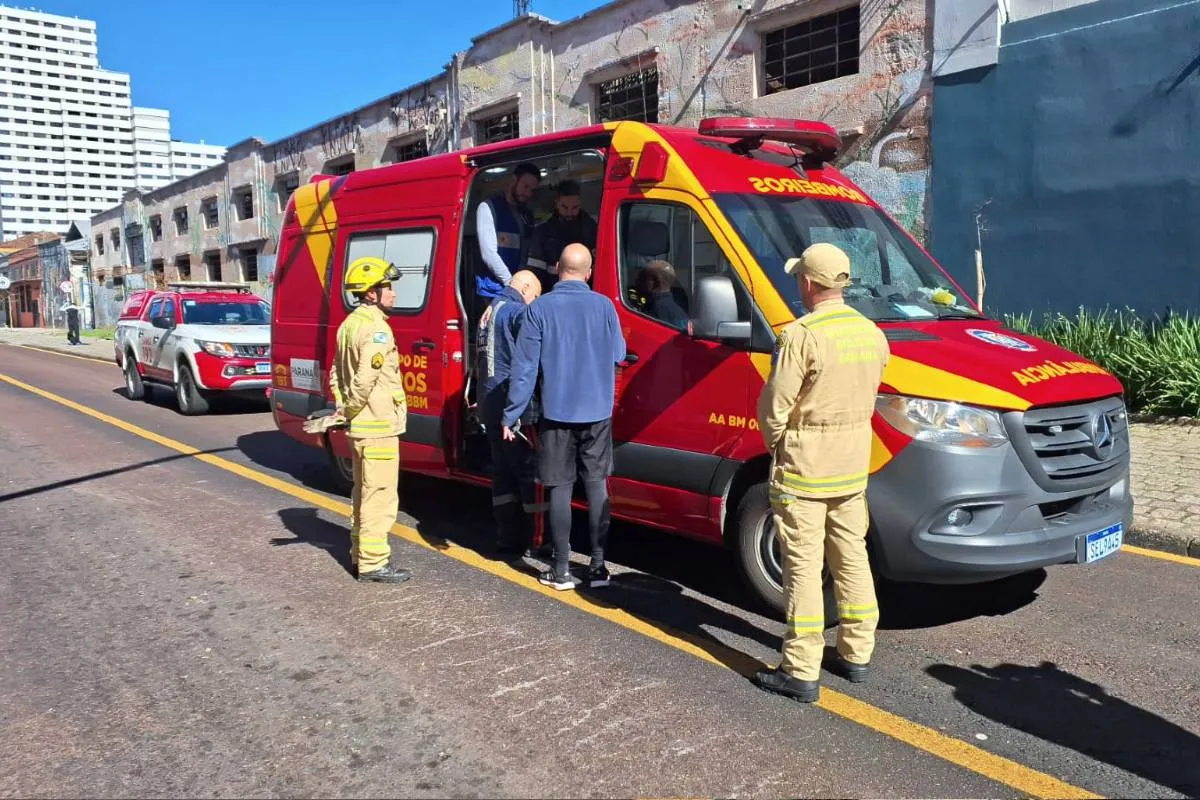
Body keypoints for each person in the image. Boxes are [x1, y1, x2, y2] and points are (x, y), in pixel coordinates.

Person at [752, 242, 890, 704]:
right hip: (852, 466)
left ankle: (800, 670)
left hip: (806, 469)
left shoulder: (801, 336)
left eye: (798, 279)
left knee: (804, 569)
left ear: (809, 283)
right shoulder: (871, 332)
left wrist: (779, 446)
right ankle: (856, 653)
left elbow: (775, 406)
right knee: (851, 557)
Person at [502, 243, 626, 590]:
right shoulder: (604, 306)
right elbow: (618, 353)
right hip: (598, 413)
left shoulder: (539, 310)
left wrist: (511, 414)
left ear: (558, 269)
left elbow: (524, 370)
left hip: (556, 415)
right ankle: (599, 567)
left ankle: (560, 569)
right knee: (596, 485)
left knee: (559, 487)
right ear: (588, 272)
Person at [330, 256, 414, 584]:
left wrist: (343, 408)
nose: (392, 294)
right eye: (387, 288)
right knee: (379, 495)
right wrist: (351, 407)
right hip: (377, 427)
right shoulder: (377, 329)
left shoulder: (348, 324)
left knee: (362, 493)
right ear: (370, 294)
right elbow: (365, 378)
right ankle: (374, 563)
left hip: (361, 428)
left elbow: (337, 372)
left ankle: (359, 554)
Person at [476, 269, 543, 558]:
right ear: (526, 288)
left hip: (489, 404)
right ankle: (534, 540)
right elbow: (529, 357)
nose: (533, 303)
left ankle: (506, 538)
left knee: (502, 474)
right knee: (528, 473)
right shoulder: (517, 311)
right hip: (513, 410)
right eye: (535, 297)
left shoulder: (489, 310)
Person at [475, 162, 541, 315]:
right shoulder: (488, 208)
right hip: (494, 290)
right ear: (513, 180)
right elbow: (488, 253)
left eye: (532, 189)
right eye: (525, 186)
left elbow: (527, 250)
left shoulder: (526, 214)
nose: (528, 193)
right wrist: (512, 283)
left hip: (519, 289)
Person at [527, 179, 598, 294]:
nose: (570, 213)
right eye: (564, 207)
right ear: (556, 203)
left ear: (580, 203)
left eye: (575, 207)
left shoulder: (592, 229)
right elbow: (535, 271)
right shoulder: (543, 232)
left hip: (586, 293)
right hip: (552, 293)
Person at [633, 260, 690, 332]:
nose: (637, 284)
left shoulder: (655, 311)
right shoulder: (677, 309)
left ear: (654, 282)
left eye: (642, 279)